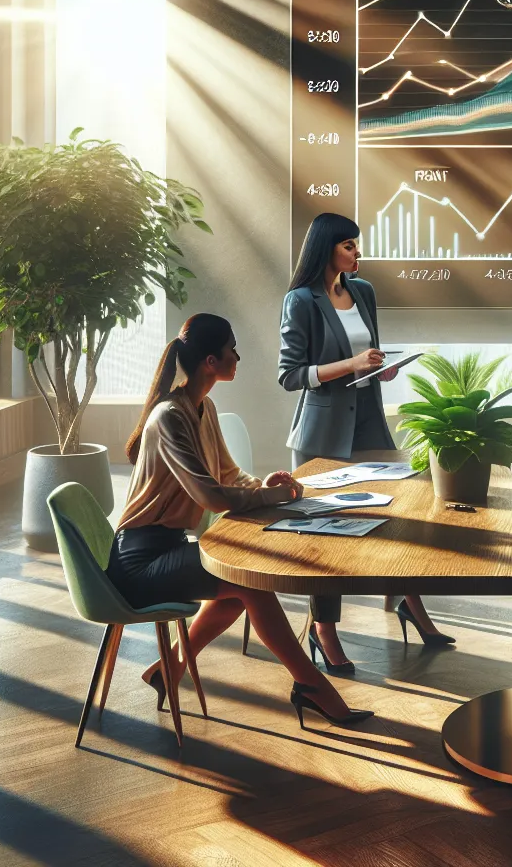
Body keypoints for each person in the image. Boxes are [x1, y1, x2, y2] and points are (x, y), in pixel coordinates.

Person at [111, 313, 372, 729]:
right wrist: (269, 496)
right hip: (138, 563)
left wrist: (264, 484)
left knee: (239, 589)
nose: (239, 356)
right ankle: (311, 685)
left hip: (169, 546)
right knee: (249, 583)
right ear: (211, 361)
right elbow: (210, 496)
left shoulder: (203, 407)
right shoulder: (169, 417)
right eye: (232, 348)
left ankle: (170, 667)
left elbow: (228, 477)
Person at [278, 213, 454, 672]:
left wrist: (381, 367)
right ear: (327, 249)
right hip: (323, 434)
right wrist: (352, 363)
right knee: (326, 540)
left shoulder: (364, 293)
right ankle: (324, 631)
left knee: (397, 514)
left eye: (357, 246)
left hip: (369, 422)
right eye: (350, 246)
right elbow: (291, 375)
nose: (358, 253)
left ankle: (408, 603)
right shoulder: (300, 301)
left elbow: (367, 356)